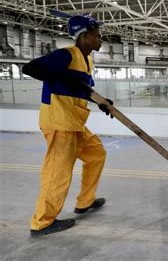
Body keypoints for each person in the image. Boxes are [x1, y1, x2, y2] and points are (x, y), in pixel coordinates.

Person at [22, 14, 113, 237]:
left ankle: (85, 201)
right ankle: (42, 222)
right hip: (59, 122)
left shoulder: (88, 60)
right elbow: (31, 68)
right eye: (97, 36)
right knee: (57, 173)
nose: (101, 40)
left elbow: (79, 88)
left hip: (74, 121)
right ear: (84, 36)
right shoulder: (65, 55)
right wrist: (64, 74)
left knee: (96, 154)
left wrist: (100, 102)